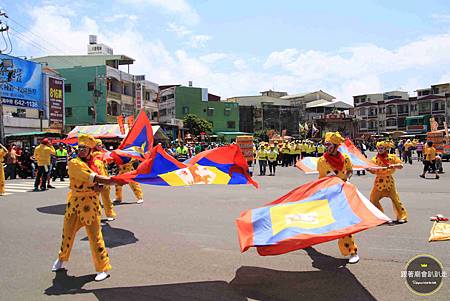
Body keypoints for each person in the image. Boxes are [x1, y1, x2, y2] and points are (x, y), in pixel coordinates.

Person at [51, 134, 126, 281]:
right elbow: (94, 178)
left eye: (84, 148)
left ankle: (103, 268)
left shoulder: (97, 163)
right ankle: (62, 258)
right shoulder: (74, 163)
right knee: (67, 233)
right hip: (74, 203)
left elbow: (100, 182)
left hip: (91, 204)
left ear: (90, 150)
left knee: (95, 237)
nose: (81, 150)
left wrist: (104, 185)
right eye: (79, 148)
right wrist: (114, 181)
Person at [317, 132, 359, 264]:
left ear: (336, 146)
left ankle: (351, 251)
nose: (326, 147)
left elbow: (350, 171)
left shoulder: (345, 158)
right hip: (330, 195)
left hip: (343, 194)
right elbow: (321, 179)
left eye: (329, 144)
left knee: (344, 223)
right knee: (318, 221)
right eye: (325, 144)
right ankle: (304, 239)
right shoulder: (322, 161)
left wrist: (347, 180)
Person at [367, 141, 407, 224]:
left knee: (395, 199)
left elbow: (401, 166)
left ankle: (402, 216)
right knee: (373, 200)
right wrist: (369, 169)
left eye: (382, 148)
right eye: (378, 148)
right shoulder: (374, 159)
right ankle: (380, 217)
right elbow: (373, 171)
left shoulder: (392, 157)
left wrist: (394, 165)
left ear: (385, 148)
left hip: (389, 182)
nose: (380, 150)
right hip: (379, 182)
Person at [92, 139, 116, 221]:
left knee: (107, 198)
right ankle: (96, 214)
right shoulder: (95, 154)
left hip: (105, 178)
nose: (100, 146)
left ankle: (110, 214)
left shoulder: (103, 154)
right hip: (98, 178)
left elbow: (109, 160)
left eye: (101, 145)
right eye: (98, 145)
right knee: (95, 198)